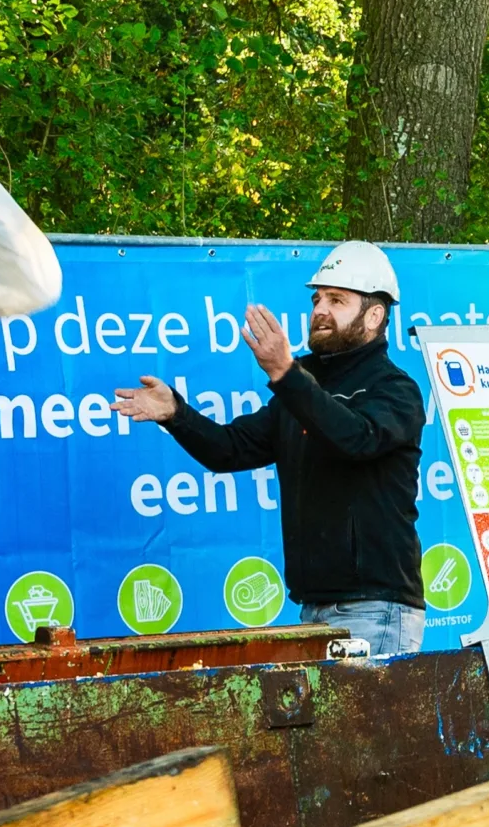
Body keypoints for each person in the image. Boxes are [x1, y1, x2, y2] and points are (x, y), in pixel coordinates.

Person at [111, 241, 426, 655]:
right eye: (317, 299)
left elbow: (354, 438)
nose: (320, 310)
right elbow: (230, 449)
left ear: (374, 315)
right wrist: (176, 414)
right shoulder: (302, 385)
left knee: (375, 722)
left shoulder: (394, 389)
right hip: (313, 610)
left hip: (375, 609)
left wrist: (285, 372)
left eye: (337, 299)